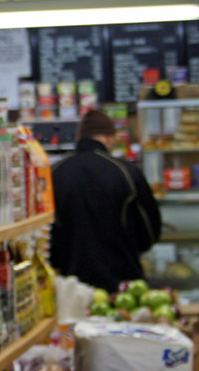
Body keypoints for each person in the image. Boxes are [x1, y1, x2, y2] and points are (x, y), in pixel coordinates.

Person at [50, 109, 161, 291]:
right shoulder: (126, 172)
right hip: (124, 286)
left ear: (80, 137)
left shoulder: (54, 173)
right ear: (109, 138)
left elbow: (48, 235)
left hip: (70, 288)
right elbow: (149, 233)